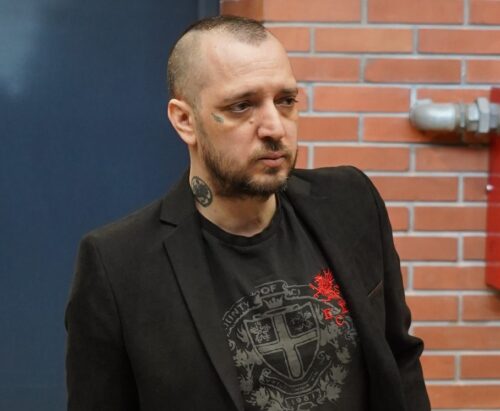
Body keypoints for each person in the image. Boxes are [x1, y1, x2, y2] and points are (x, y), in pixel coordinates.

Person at [65, 15, 430, 411]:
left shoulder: (351, 202)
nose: (274, 127)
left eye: (285, 101)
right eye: (242, 106)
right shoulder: (119, 264)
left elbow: (400, 360)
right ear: (185, 120)